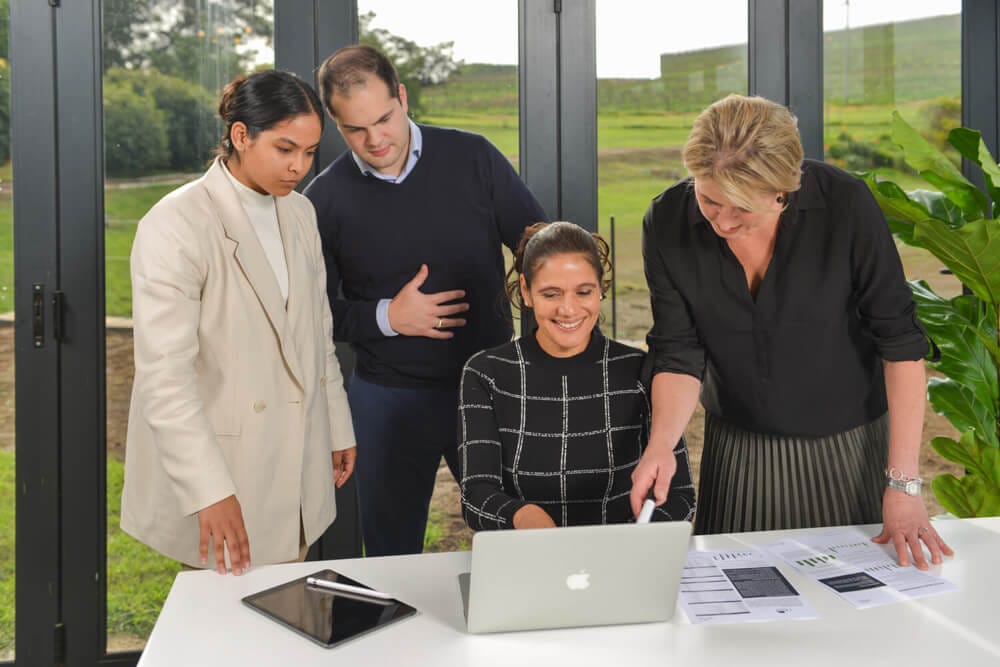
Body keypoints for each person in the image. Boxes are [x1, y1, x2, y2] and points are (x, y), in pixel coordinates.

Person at [629, 94, 953, 569]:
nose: (721, 222)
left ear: (784, 190)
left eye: (742, 208)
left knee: (857, 603)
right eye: (710, 200)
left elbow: (900, 344)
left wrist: (903, 483)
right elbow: (679, 352)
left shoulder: (845, 205)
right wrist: (661, 445)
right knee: (738, 605)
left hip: (850, 446)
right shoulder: (667, 222)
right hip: (738, 450)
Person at [304, 45, 547, 556]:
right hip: (387, 398)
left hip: (487, 387)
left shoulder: (474, 156)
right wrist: (388, 317)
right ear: (333, 122)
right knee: (391, 552)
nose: (375, 140)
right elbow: (314, 316)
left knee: (519, 542)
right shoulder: (321, 201)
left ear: (402, 97)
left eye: (384, 119)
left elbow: (536, 244)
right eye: (354, 129)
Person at [121, 70, 357, 574]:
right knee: (219, 637)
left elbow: (317, 333)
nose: (299, 167)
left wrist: (336, 424)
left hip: (295, 462)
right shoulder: (176, 223)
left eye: (310, 152)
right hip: (228, 469)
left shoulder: (299, 213)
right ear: (241, 135)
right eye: (285, 149)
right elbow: (165, 378)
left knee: (284, 620)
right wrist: (210, 490)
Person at [460, 222, 695, 530]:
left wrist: (637, 541)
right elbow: (476, 495)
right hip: (527, 557)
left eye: (583, 292)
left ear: (601, 290)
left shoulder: (643, 370)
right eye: (551, 294)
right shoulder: (485, 373)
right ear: (527, 291)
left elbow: (680, 496)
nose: (568, 309)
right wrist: (521, 516)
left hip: (623, 560)